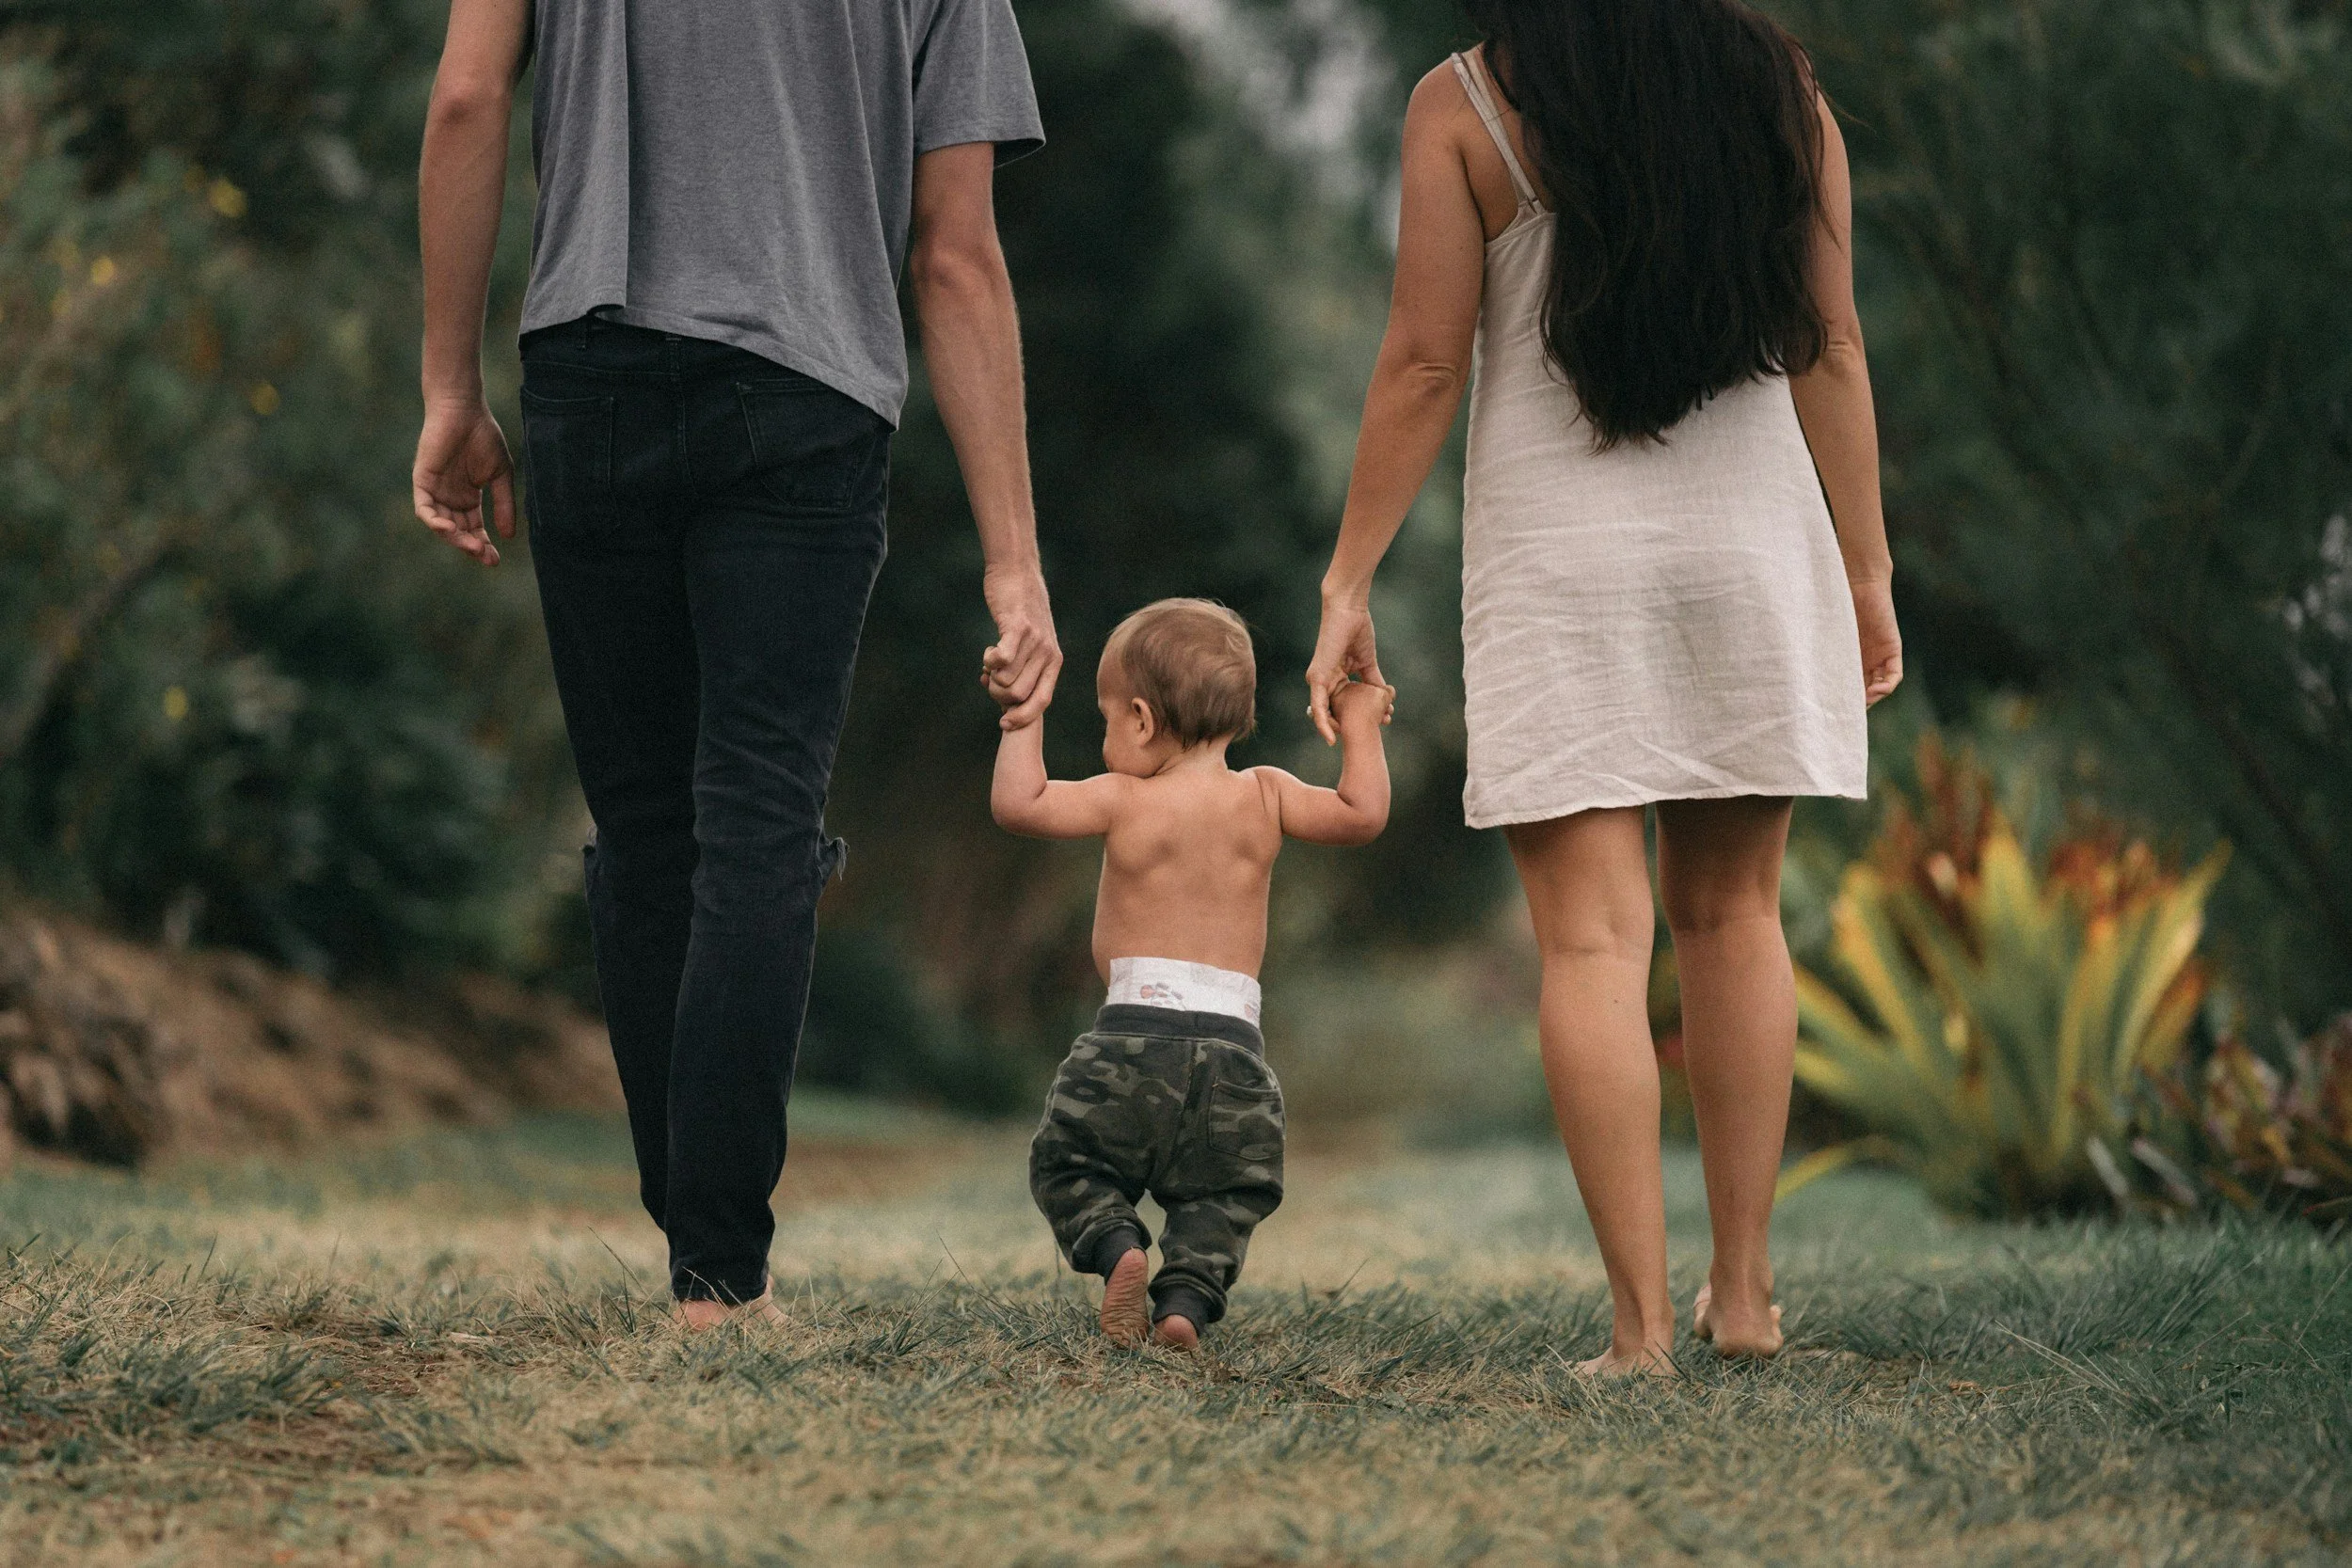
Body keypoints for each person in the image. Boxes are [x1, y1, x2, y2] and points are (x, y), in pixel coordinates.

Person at [409, 0, 1062, 1328]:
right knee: (757, 816)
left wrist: (448, 391)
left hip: (587, 366)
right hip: (806, 393)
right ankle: (718, 1272)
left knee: (648, 828)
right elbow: (957, 258)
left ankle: (699, 1244)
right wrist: (1014, 560)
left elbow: (468, 100)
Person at [1307, 0, 1902, 1373]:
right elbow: (1835, 343)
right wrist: (1864, 568)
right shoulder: (1782, 92)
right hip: (1754, 548)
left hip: (1564, 562)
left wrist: (1349, 577)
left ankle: (1640, 1331)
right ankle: (1744, 1301)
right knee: (1736, 912)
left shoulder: (1464, 103)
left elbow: (1422, 362)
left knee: (1589, 942)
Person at [993, 599, 1392, 1349]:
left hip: (1130, 1038)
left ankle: (1120, 1246)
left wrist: (1024, 712)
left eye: (1109, 718)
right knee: (1224, 1195)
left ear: (1141, 720)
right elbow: (1361, 813)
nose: (1108, 735)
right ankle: (1184, 1305)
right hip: (1235, 1055)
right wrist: (1361, 720)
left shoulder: (1125, 797)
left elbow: (1020, 803)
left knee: (1069, 1159)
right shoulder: (1268, 794)